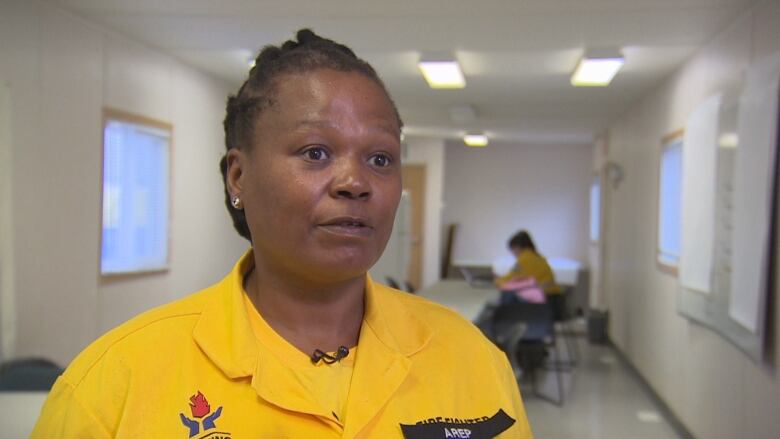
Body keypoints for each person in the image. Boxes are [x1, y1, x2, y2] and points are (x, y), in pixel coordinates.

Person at [32, 30, 532, 438]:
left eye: (380, 158)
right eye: (315, 152)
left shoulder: (473, 360)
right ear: (238, 177)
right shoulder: (114, 385)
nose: (355, 182)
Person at [496, 230, 563, 314]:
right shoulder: (537, 257)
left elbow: (510, 280)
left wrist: (497, 280)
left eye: (512, 250)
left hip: (545, 301)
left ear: (517, 247)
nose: (513, 254)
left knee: (507, 297)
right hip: (553, 300)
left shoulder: (526, 259)